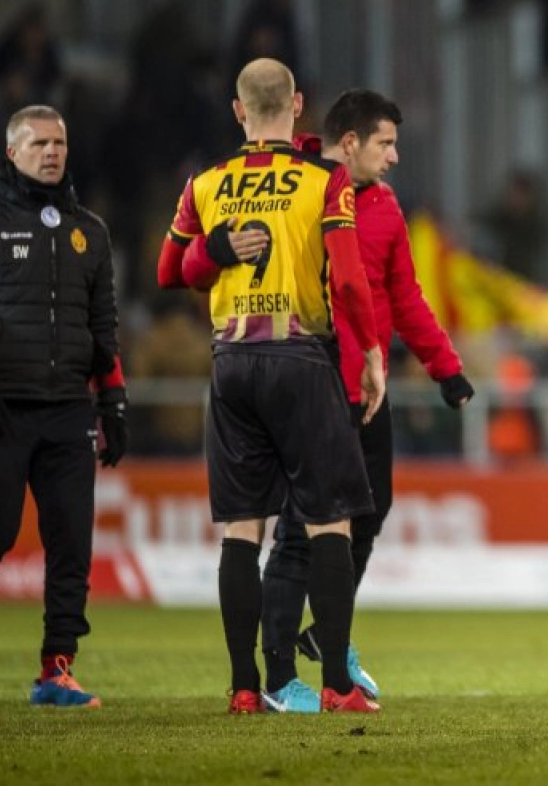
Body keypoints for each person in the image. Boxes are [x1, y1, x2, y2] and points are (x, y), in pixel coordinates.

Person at [183, 88, 474, 712]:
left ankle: (326, 640)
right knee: (298, 534)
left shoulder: (387, 208)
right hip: (312, 379)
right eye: (386, 144)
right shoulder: (307, 188)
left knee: (369, 509)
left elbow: (405, 295)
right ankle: (282, 670)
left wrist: (443, 367)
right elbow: (327, 283)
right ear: (350, 143)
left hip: (364, 387)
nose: (395, 157)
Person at [157, 58, 385, 714]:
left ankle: (242, 688)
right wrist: (369, 351)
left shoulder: (207, 182)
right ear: (298, 105)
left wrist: (218, 250)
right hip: (300, 357)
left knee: (241, 529)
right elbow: (346, 278)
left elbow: (171, 270)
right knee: (328, 523)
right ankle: (339, 685)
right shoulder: (325, 178)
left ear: (237, 111)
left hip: (230, 362)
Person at [0, 104, 127, 707]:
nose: (52, 152)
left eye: (59, 141)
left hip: (67, 410)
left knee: (72, 545)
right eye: (39, 143)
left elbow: (103, 327)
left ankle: (57, 670)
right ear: (12, 152)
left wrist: (113, 401)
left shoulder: (90, 230)